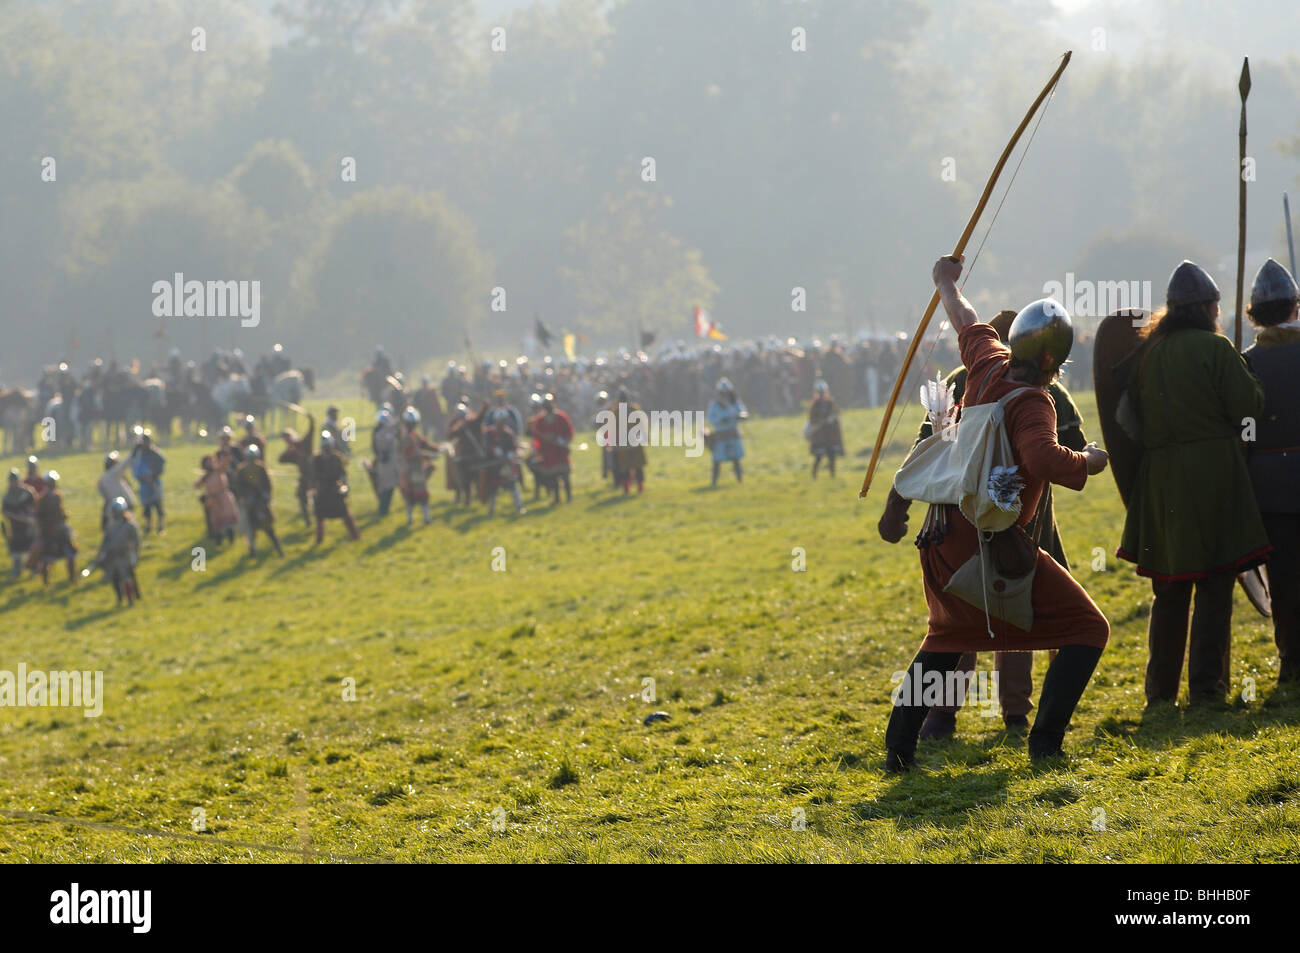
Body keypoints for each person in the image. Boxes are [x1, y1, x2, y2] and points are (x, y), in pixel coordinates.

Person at [883, 255, 1111, 771]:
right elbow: (1043, 459)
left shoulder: (985, 362)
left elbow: (964, 317)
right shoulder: (1034, 402)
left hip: (945, 533)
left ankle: (899, 749)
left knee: (948, 636)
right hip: (988, 541)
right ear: (1055, 361)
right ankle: (1045, 744)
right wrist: (1091, 461)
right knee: (1087, 627)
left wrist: (944, 280)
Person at [1118, 260, 1270, 706]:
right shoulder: (1216, 347)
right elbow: (1248, 409)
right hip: (1213, 475)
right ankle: (1207, 687)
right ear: (1207, 308)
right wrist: (1249, 378)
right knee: (1216, 583)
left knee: (1169, 588)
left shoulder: (1147, 354)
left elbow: (1128, 420)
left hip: (1161, 481)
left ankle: (1160, 692)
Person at [1243, 258, 1300, 682]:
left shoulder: (1245, 362)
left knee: (1283, 580)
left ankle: (1291, 661)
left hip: (1267, 485)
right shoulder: (1244, 362)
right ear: (1295, 307)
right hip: (1273, 483)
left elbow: (1243, 429)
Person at [230, 444, 283, 557]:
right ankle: (252, 551)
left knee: (268, 528)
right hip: (249, 504)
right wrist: (244, 498)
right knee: (250, 529)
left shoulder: (261, 468)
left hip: (261, 502)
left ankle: (278, 549)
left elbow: (267, 484)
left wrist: (266, 495)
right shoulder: (241, 470)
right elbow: (239, 486)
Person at [87, 497, 141, 606]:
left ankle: (131, 600)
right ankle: (120, 599)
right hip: (113, 557)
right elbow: (105, 543)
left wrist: (134, 554)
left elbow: (136, 542)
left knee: (127, 578)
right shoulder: (111, 527)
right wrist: (100, 555)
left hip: (125, 556)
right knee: (115, 579)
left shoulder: (130, 526)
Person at [311, 431, 360, 543]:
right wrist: (314, 488)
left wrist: (343, 487)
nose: (326, 448)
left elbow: (342, 475)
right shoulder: (317, 459)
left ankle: (355, 536)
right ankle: (319, 540)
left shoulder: (336, 458)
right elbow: (314, 476)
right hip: (323, 492)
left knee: (345, 513)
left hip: (334, 491)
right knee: (319, 516)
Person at [528, 393, 574, 504]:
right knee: (553, 478)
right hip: (548, 453)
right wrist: (542, 443)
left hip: (560, 451)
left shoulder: (561, 417)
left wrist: (564, 440)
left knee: (565, 475)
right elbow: (536, 436)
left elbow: (569, 431)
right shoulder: (540, 420)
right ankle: (556, 498)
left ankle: (569, 498)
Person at [33, 470, 78, 584]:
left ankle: (72, 579)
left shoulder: (57, 496)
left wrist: (64, 516)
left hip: (61, 532)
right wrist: (44, 530)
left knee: (70, 555)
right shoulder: (42, 499)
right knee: (46, 558)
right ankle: (46, 582)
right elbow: (38, 517)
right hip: (49, 534)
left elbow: (61, 513)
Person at [398, 407, 438, 526]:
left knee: (414, 495)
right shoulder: (406, 437)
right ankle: (422, 518)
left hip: (415, 468)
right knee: (419, 494)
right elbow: (414, 453)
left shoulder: (414, 434)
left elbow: (424, 443)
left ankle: (415, 518)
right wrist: (429, 456)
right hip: (412, 469)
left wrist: (438, 448)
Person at [707, 378, 747, 486]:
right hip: (720, 435)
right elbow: (710, 418)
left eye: (726, 392)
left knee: (736, 459)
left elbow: (743, 412)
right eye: (722, 393)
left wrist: (740, 416)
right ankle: (714, 482)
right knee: (717, 460)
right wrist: (720, 420)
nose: (725, 395)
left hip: (733, 433)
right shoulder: (714, 404)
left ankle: (740, 481)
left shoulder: (735, 402)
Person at [278, 414, 316, 525]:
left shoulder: (304, 443)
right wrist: (289, 450)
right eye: (285, 439)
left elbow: (311, 431)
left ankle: (318, 515)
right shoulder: (290, 451)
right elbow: (281, 459)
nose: (287, 440)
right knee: (301, 497)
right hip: (304, 476)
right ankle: (307, 520)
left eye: (288, 437)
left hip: (315, 474)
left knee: (318, 496)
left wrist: (311, 420)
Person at [194, 454, 238, 546]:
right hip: (213, 500)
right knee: (217, 522)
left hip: (223, 497)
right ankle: (219, 539)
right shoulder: (206, 476)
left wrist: (224, 456)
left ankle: (230, 538)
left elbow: (225, 463)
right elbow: (196, 485)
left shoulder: (218, 470)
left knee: (228, 519)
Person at [610, 389, 646, 495]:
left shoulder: (616, 412)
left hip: (625, 445)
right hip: (634, 443)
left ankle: (627, 489)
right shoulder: (634, 410)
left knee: (625, 468)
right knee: (637, 466)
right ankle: (638, 487)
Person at [2, 469, 37, 579]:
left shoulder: (27, 492)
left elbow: (34, 505)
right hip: (15, 527)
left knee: (31, 546)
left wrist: (28, 515)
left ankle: (34, 568)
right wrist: (16, 516)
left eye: (15, 480)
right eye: (12, 481)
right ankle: (17, 570)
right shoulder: (7, 496)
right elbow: (5, 511)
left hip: (28, 524)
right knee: (16, 548)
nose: (14, 483)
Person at [806, 379, 844, 478]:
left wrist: (832, 418)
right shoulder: (815, 405)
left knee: (832, 457)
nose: (822, 395)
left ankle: (832, 476)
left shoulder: (830, 402)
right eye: (820, 393)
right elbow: (812, 418)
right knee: (818, 457)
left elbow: (836, 413)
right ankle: (814, 476)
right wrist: (821, 421)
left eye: (823, 393)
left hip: (830, 436)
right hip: (820, 436)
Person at [370, 407, 401, 517]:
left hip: (385, 462)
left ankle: (384, 509)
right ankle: (383, 509)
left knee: (387, 486)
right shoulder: (383, 433)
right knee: (388, 486)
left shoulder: (378, 432)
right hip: (387, 463)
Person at [97, 450, 137, 531]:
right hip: (122, 505)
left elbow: (103, 494)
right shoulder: (114, 473)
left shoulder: (103, 478)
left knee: (114, 527)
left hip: (112, 506)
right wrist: (134, 451)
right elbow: (124, 464)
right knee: (128, 526)